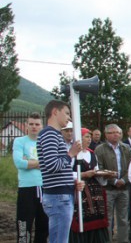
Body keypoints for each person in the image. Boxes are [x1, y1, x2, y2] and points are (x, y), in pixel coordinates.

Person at [37, 100, 85, 243]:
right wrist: (70, 153)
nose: (69, 118)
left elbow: (57, 167)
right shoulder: (50, 134)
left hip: (60, 195)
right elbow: (52, 165)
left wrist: (71, 181)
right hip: (58, 197)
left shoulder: (53, 135)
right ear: (55, 112)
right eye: (67, 113)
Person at [69, 128, 111, 242]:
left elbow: (96, 170)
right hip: (80, 189)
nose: (89, 139)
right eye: (86, 136)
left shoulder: (92, 154)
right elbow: (66, 172)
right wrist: (83, 174)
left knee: (97, 218)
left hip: (95, 192)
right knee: (82, 218)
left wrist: (104, 175)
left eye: (89, 137)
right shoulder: (73, 154)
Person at [13, 112, 48, 243]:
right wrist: (41, 162)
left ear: (42, 126)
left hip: (44, 187)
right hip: (26, 188)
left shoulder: (44, 143)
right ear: (26, 125)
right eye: (31, 124)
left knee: (43, 225)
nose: (34, 127)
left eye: (37, 124)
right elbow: (19, 163)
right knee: (24, 224)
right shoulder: (19, 141)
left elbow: (50, 164)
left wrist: (30, 161)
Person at [94, 124, 131, 243]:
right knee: (108, 218)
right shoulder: (100, 149)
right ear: (106, 135)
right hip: (108, 188)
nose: (116, 134)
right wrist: (114, 180)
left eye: (118, 132)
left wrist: (124, 180)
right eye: (112, 132)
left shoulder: (126, 147)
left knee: (123, 218)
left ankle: (123, 240)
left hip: (124, 187)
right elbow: (99, 168)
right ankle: (107, 240)